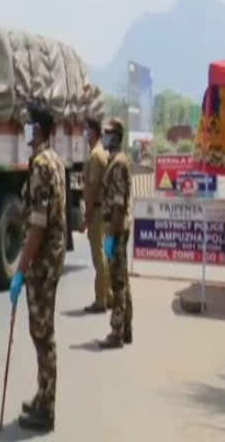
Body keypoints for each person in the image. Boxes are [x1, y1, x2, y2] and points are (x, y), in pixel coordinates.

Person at [9, 102, 66, 432]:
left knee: (42, 335)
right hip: (50, 259)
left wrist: (20, 268)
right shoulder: (53, 161)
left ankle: (47, 409)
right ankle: (43, 395)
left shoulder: (42, 165)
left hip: (43, 262)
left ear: (39, 130)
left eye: (29, 124)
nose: (25, 129)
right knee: (41, 332)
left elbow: (38, 224)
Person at [97, 118, 134, 349]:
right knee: (123, 281)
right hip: (116, 226)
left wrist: (111, 236)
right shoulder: (114, 161)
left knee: (118, 282)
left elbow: (119, 205)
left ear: (117, 137)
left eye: (109, 134)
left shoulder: (119, 163)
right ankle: (127, 327)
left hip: (117, 227)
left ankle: (116, 332)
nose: (105, 137)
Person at [82, 116, 113, 313]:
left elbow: (92, 187)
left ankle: (101, 300)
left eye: (86, 130)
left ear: (93, 132)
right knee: (104, 253)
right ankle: (107, 295)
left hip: (98, 208)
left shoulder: (95, 155)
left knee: (98, 254)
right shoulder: (103, 153)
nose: (85, 133)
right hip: (104, 208)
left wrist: (88, 214)